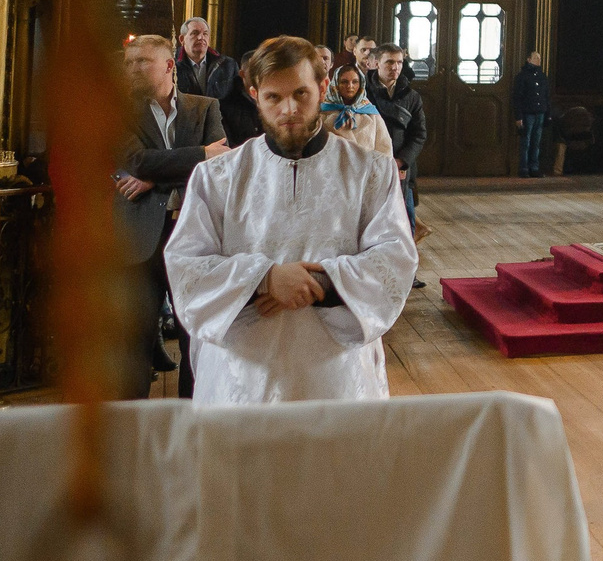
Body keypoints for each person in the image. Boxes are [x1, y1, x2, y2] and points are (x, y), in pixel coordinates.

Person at [163, 37, 418, 402]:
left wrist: (321, 281)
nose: (289, 109)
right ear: (254, 95)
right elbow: (187, 266)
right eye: (273, 97)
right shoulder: (216, 177)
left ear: (322, 87)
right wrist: (264, 279)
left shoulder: (370, 171)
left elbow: (395, 258)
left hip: (338, 378)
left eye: (301, 94)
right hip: (241, 381)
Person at [115, 34, 229, 397]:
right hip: (139, 237)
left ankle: (191, 422)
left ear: (168, 66)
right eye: (129, 62)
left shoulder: (205, 107)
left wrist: (152, 181)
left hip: (193, 235)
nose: (132, 69)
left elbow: (220, 168)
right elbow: (137, 161)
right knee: (133, 342)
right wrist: (198, 155)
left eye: (142, 62)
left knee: (196, 334)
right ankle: (130, 430)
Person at [368, 43, 429, 279]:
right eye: (389, 63)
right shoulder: (363, 93)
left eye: (400, 63)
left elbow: (419, 133)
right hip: (372, 166)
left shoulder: (411, 96)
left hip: (402, 169)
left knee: (405, 220)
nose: (395, 68)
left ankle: (406, 274)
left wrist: (401, 160)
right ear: (376, 64)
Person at [176, 14, 260, 143]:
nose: (201, 38)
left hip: (219, 130)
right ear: (182, 39)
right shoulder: (171, 65)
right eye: (195, 33)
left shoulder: (227, 65)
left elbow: (239, 99)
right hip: (184, 131)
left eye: (205, 34)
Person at [320, 64, 391, 160]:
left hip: (366, 171)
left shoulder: (371, 112)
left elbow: (384, 149)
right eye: (344, 82)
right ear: (336, 84)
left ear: (361, 84)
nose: (350, 86)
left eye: (355, 82)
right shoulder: (323, 112)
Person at [513, 50, 552, 177]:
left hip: (540, 112)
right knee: (526, 142)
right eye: (536, 58)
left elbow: (546, 96)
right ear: (528, 59)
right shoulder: (522, 77)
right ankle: (524, 168)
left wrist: (548, 113)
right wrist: (518, 116)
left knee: (536, 142)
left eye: (539, 58)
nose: (538, 60)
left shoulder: (542, 76)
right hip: (527, 113)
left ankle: (534, 167)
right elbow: (517, 98)